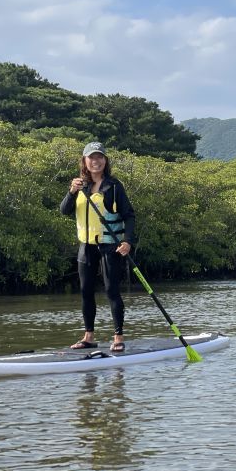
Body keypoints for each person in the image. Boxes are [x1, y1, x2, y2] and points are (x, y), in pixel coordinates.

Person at [60, 142, 135, 353]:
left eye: (99, 157)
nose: (96, 161)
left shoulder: (113, 186)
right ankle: (89, 337)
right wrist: (71, 192)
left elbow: (129, 216)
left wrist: (127, 241)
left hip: (110, 246)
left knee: (112, 291)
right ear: (84, 161)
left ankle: (118, 337)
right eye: (91, 157)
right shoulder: (79, 186)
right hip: (86, 247)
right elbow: (64, 210)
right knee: (85, 292)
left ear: (105, 160)